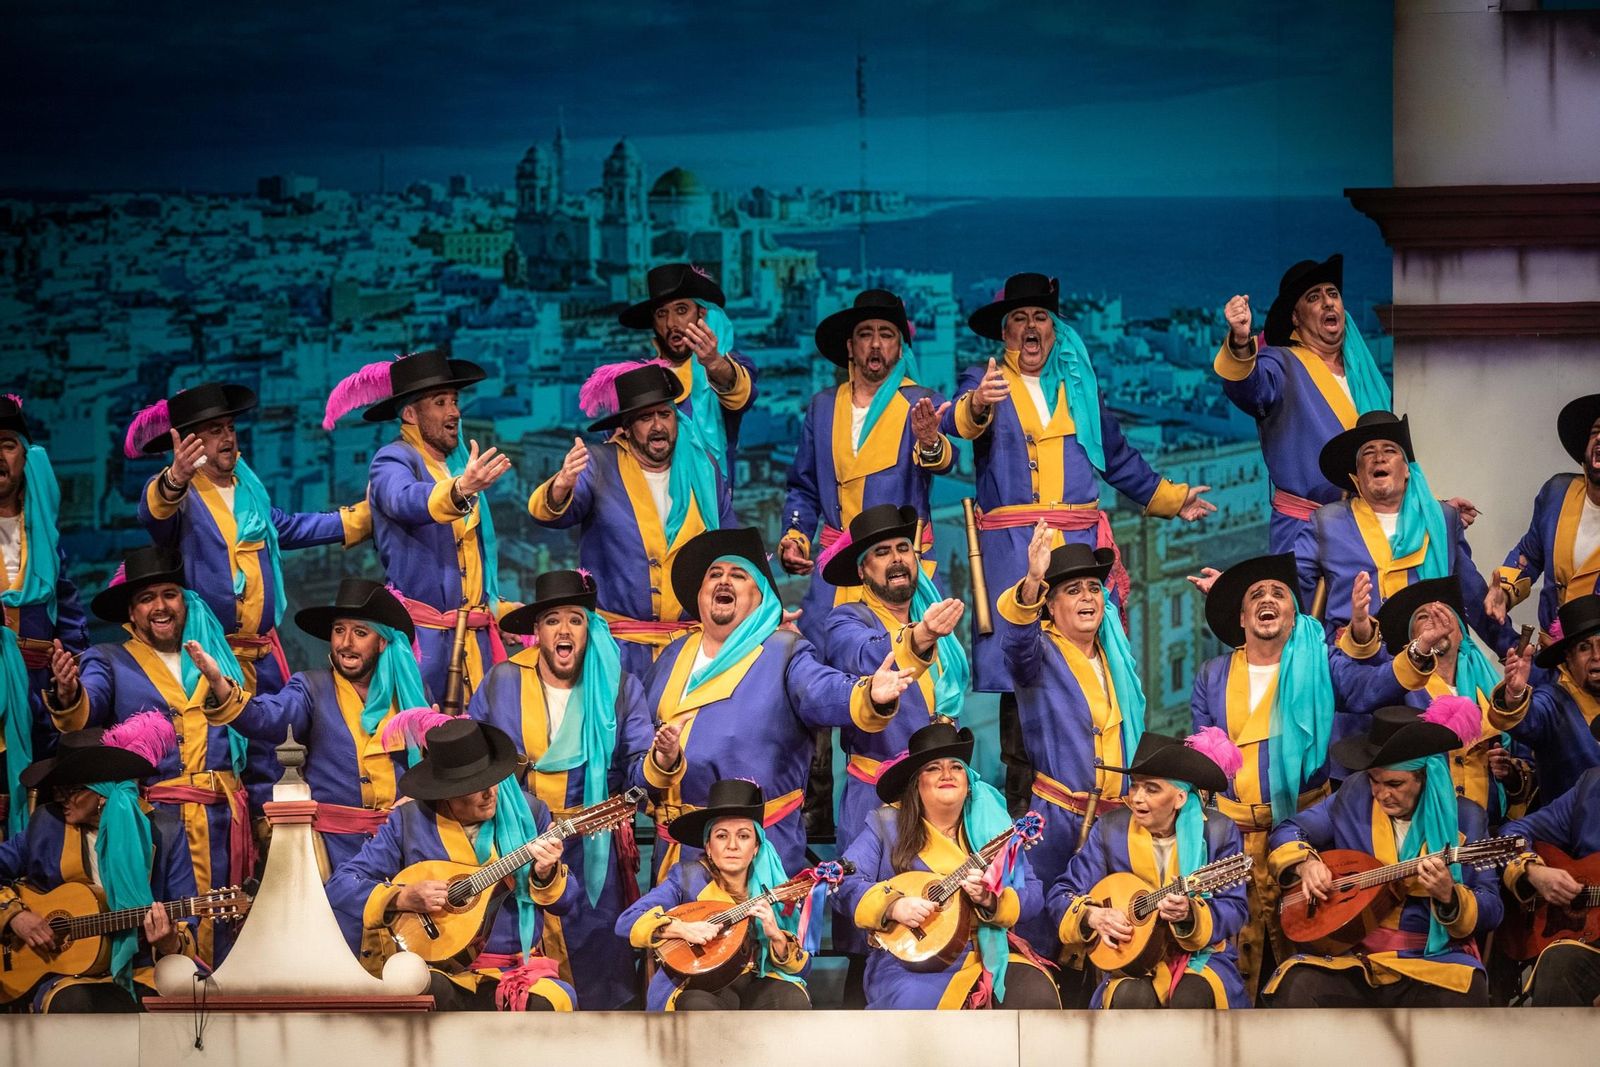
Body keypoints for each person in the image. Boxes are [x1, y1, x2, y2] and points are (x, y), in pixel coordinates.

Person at [940, 272, 1213, 805]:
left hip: (1079, 554)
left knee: (1090, 668)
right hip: (1016, 559)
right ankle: (1027, 811)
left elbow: (1116, 456)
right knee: (1024, 681)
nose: (1029, 326)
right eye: (1018, 319)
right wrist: (978, 403)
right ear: (1004, 334)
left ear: (1055, 327)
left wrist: (1171, 498)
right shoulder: (984, 377)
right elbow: (960, 416)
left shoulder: (1079, 388)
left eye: (1039, 316)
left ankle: (1105, 795)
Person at [1186, 553, 1433, 999]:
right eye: (1256, 595)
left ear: (1294, 613)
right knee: (1238, 962)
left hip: (1303, 839)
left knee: (1302, 958)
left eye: (1278, 593)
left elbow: (1370, 687)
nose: (1267, 599)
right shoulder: (1211, 674)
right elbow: (1205, 762)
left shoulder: (1319, 662)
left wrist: (1416, 651)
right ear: (1242, 618)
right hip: (1232, 843)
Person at [641, 527, 915, 881]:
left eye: (739, 575)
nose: (724, 581)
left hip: (759, 854)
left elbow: (821, 690)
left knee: (764, 936)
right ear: (701, 593)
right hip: (678, 856)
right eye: (715, 575)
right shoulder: (671, 657)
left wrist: (865, 694)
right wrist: (658, 762)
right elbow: (637, 745)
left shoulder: (783, 652)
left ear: (760, 599)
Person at [43, 546, 256, 965]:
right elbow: (88, 707)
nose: (159, 606)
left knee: (232, 926)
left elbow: (253, 736)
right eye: (146, 599)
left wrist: (263, 813)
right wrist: (69, 696)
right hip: (163, 826)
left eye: (168, 594)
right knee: (170, 929)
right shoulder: (110, 659)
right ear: (133, 613)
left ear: (183, 600)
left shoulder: (217, 656)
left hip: (226, 818)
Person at [468, 568, 655, 1009]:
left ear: (590, 628)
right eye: (553, 620)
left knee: (597, 965)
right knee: (522, 967)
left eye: (576, 618)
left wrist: (660, 761)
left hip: (591, 844)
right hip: (514, 844)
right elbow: (476, 757)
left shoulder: (618, 687)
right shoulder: (501, 681)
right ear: (537, 631)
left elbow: (637, 771)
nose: (564, 629)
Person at [184, 578, 427, 906]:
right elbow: (265, 717)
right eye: (339, 630)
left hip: (402, 846)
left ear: (382, 642)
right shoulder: (312, 688)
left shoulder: (410, 698)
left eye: (359, 632)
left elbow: (429, 767)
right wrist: (220, 685)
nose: (345, 643)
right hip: (335, 849)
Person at [130, 380, 371, 700]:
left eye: (229, 427)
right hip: (211, 659)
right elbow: (152, 513)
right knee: (219, 747)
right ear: (191, 442)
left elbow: (293, 528)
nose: (228, 436)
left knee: (267, 743)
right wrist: (175, 479)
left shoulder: (249, 493)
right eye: (215, 430)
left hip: (262, 656)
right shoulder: (183, 497)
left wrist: (370, 514)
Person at [326, 718, 577, 1011]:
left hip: (516, 971)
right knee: (422, 994)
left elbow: (567, 901)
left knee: (551, 1003)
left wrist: (544, 874)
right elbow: (341, 885)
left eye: (492, 781)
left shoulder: (529, 813)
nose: (490, 793)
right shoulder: (410, 820)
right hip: (440, 969)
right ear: (444, 791)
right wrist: (402, 896)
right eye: (475, 786)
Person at [1264, 703, 1501, 1008]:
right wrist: (1306, 864)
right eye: (1374, 779)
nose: (1380, 792)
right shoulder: (1354, 794)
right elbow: (1290, 830)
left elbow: (1492, 907)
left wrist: (1450, 895)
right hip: (1357, 957)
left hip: (1432, 961)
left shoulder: (1467, 818)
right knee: (1296, 985)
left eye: (1394, 783)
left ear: (1426, 778)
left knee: (1467, 992)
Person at [818, 504, 964, 990]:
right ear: (863, 570)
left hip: (940, 799)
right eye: (882, 552)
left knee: (942, 924)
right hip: (875, 797)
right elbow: (866, 659)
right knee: (871, 936)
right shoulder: (845, 620)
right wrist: (920, 638)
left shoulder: (934, 616)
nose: (898, 559)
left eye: (904, 548)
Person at [992, 525, 1148, 963]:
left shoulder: (1115, 657)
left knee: (1113, 936)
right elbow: (1016, 645)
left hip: (1114, 823)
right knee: (1043, 936)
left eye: (1094, 589)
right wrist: (1032, 582)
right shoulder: (1039, 652)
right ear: (1052, 605)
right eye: (1073, 590)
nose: (1087, 598)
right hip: (1055, 821)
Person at [324, 350, 515, 701]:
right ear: (410, 414)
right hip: (423, 647)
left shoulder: (456, 466)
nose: (454, 412)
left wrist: (497, 608)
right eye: (440, 402)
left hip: (474, 645)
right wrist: (461, 489)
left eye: (455, 401)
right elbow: (403, 498)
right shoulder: (394, 458)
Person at [530, 363, 736, 676]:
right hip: (618, 654)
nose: (658, 426)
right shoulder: (599, 463)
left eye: (664, 415)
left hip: (691, 653)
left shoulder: (703, 470)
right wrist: (560, 487)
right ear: (626, 426)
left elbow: (731, 548)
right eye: (645, 417)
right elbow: (552, 514)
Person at [837, 721, 1061, 1009]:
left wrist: (991, 901)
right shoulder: (885, 825)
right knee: (914, 1002)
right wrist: (892, 906)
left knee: (1036, 994)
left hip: (985, 953)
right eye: (933, 767)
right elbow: (845, 883)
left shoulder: (995, 829)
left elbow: (1032, 894)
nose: (947, 774)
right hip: (911, 962)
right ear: (916, 783)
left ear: (968, 783)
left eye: (956, 767)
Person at [779, 290, 954, 649]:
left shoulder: (922, 402)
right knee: (829, 671)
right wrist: (795, 535)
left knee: (906, 672)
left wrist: (930, 441)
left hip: (900, 571)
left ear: (900, 348)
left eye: (886, 334)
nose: (876, 344)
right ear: (849, 347)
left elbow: (945, 459)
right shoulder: (822, 406)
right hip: (835, 572)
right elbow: (805, 487)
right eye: (865, 334)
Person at [0, 719, 198, 1012]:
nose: (58, 798)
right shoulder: (47, 824)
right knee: (76, 1003)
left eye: (69, 789)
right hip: (66, 973)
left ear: (101, 792)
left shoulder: (165, 833)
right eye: (57, 789)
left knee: (152, 1009)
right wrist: (14, 915)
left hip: (140, 969)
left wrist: (170, 943)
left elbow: (186, 923)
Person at [1048, 729, 1250, 1009]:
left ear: (1179, 798)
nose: (1137, 798)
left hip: (1200, 959)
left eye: (1151, 789)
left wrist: (1191, 915)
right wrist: (1093, 916)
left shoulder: (1216, 831)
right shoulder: (1111, 829)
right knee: (1131, 998)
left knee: (1192, 996)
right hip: (1131, 960)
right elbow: (1062, 893)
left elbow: (1236, 909)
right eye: (1134, 786)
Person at [1214, 255, 1395, 552]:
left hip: (1371, 528)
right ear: (1295, 317)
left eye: (1333, 294)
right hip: (1305, 532)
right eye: (1314, 297)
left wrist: (1434, 507)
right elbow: (1250, 387)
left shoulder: (1364, 372)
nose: (1327, 303)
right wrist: (1240, 340)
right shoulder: (1281, 363)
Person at [1296, 410, 1511, 656]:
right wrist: (1320, 654)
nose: (1379, 458)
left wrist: (1516, 650)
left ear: (1407, 469)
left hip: (1431, 662)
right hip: (1358, 664)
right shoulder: (1327, 523)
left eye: (1389, 450)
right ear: (1356, 476)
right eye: (1368, 452)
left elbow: (1471, 596)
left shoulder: (1441, 520)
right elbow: (1294, 592)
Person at [618, 779, 812, 1011]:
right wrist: (681, 929)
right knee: (698, 1007)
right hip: (700, 982)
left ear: (756, 847)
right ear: (708, 847)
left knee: (791, 1000)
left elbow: (803, 966)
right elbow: (626, 921)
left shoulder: (775, 888)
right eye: (721, 836)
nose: (732, 845)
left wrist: (776, 936)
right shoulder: (687, 878)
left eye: (743, 836)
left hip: (759, 979)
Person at [1370, 577, 1536, 823]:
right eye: (1423, 617)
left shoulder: (1493, 690)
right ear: (1411, 640)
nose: (1435, 620)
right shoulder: (1396, 694)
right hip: (1427, 826)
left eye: (1444, 614)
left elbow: (1526, 764)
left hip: (1491, 826)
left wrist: (1509, 772)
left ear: (1462, 634)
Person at [0, 394, 89, 839]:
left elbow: (70, 621)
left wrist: (68, 678)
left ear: (25, 457)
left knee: (36, 798)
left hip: (37, 695)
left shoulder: (46, 543)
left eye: (7, 445)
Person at [616, 263, 758, 476]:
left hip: (711, 503)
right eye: (661, 314)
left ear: (701, 314)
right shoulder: (637, 380)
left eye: (681, 310)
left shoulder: (729, 366)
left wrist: (714, 363)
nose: (672, 323)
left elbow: (740, 393)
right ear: (653, 323)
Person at [1498, 717, 1600, 1006]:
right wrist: (1534, 871)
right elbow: (1513, 834)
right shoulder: (1590, 786)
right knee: (1558, 962)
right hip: (1590, 945)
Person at [1488, 393, 1600, 634]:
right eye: (1595, 432)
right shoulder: (1557, 494)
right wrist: (1504, 593)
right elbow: (1529, 554)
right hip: (1554, 658)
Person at [1505, 594, 1600, 802]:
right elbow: (1528, 721)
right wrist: (1515, 695)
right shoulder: (1552, 702)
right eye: (1584, 647)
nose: (1597, 655)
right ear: (1568, 657)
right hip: (1572, 832)